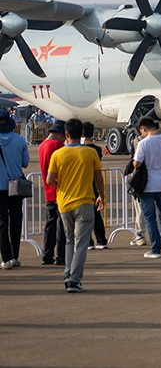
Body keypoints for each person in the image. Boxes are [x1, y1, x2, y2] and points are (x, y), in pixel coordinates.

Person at [45, 118, 104, 292]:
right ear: (83, 134)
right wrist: (101, 196)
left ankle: (68, 273)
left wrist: (61, 186)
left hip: (64, 203)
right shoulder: (90, 153)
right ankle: (74, 279)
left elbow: (49, 180)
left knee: (69, 240)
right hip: (85, 201)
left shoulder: (58, 154)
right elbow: (98, 179)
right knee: (81, 243)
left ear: (66, 134)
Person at [134, 117, 161, 259]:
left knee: (150, 218)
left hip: (147, 186)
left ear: (143, 129)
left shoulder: (143, 143)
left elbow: (137, 164)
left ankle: (156, 249)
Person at [0, 109, 30, 269]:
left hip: (0, 188)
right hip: (16, 186)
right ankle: (15, 256)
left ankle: (5, 259)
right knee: (16, 220)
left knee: (2, 223)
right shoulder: (19, 140)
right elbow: (25, 163)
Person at [38, 120, 67, 265]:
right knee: (61, 225)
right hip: (59, 189)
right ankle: (60, 255)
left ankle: (47, 254)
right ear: (60, 133)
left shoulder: (42, 145)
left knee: (49, 223)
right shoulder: (57, 145)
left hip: (48, 190)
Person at [81, 122, 108, 250]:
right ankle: (101, 240)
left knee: (84, 216)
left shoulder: (80, 149)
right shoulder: (97, 149)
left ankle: (89, 241)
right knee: (97, 215)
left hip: (83, 185)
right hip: (94, 184)